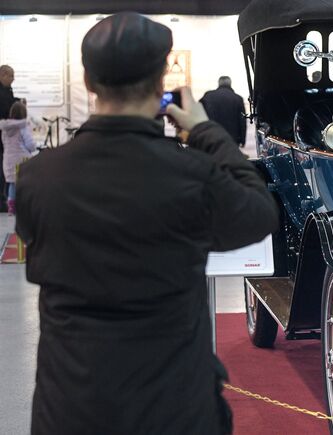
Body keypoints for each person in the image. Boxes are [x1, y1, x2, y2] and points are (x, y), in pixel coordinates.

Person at [15, 12, 279, 435]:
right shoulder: (191, 174)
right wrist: (205, 132)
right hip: (173, 407)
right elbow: (259, 215)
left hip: (70, 405)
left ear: (87, 81)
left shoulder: (38, 178)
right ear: (161, 82)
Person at [0, 101, 36, 214]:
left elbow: (4, 143)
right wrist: (32, 149)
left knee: (12, 183)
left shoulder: (5, 129)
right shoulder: (23, 127)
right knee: (23, 182)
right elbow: (30, 144)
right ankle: (23, 205)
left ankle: (11, 205)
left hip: (8, 159)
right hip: (22, 159)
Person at [200, 76, 247, 147]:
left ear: (219, 83)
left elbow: (200, 116)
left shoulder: (208, 96)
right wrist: (243, 140)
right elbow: (242, 121)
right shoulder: (238, 99)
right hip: (231, 139)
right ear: (230, 84)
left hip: (211, 137)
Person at [0, 64, 21, 212]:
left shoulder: (7, 90)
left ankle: (5, 198)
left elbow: (10, 102)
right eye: (11, 76)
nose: (13, 79)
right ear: (2, 75)